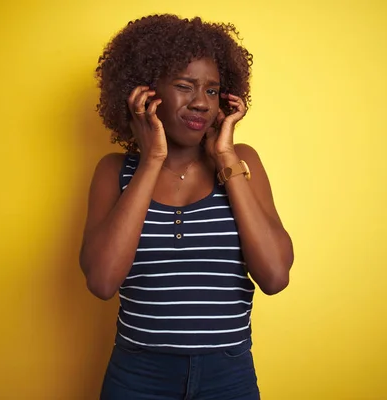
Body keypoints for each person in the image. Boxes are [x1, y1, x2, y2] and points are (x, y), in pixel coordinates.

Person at [80, 14, 294, 400]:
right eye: (185, 86)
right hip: (137, 377)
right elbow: (102, 281)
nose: (201, 103)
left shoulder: (241, 162)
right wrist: (151, 160)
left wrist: (226, 156)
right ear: (144, 93)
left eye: (212, 91)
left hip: (228, 377)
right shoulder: (115, 171)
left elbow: (275, 276)